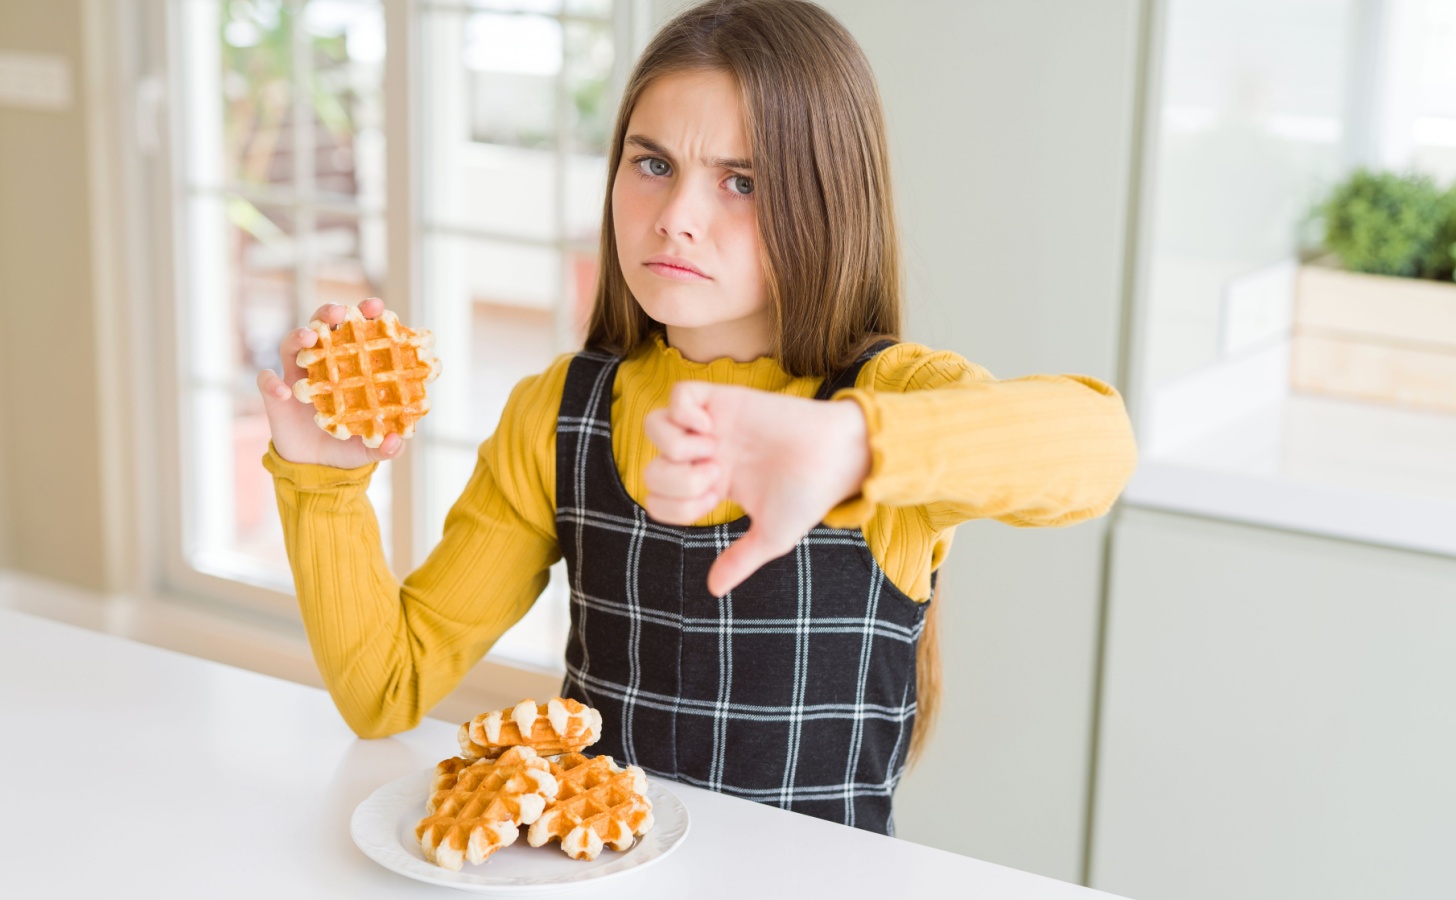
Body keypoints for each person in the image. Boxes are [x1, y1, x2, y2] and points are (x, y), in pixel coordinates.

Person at [258, 0, 1137, 836]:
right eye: (653, 164)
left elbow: (1101, 447)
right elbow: (387, 688)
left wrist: (851, 445)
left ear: (827, 200)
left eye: (742, 182)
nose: (676, 218)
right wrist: (326, 482)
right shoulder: (557, 414)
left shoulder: (895, 401)